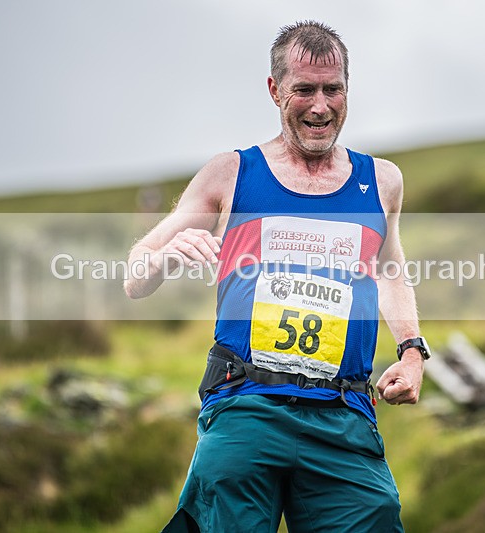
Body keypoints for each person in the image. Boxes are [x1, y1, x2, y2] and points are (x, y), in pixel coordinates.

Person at [124, 20, 428, 533]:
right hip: (246, 406)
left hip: (343, 413)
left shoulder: (380, 181)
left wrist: (413, 352)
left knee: (378, 516)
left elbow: (391, 271)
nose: (320, 106)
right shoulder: (231, 173)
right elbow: (136, 274)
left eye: (333, 90)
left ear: (347, 90)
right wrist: (162, 256)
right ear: (274, 90)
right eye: (303, 90)